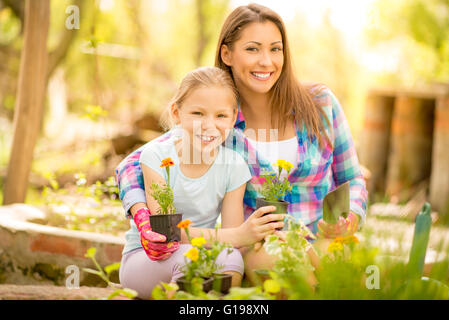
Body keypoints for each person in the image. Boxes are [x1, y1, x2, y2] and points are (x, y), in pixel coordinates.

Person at [116, 3, 368, 287]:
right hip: (261, 246)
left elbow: (352, 178)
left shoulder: (320, 104)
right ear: (227, 53)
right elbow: (135, 164)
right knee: (293, 276)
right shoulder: (219, 120)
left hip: (321, 236)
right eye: (252, 49)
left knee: (347, 277)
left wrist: (352, 216)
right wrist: (141, 213)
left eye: (275, 49)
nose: (266, 61)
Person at [119, 66, 286, 299]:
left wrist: (259, 235)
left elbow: (231, 235)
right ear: (176, 113)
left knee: (232, 258)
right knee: (189, 260)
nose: (209, 125)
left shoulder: (234, 165)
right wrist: (240, 235)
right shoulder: (156, 157)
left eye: (221, 116)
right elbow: (167, 234)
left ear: (233, 117)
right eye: (198, 114)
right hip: (148, 260)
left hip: (199, 252)